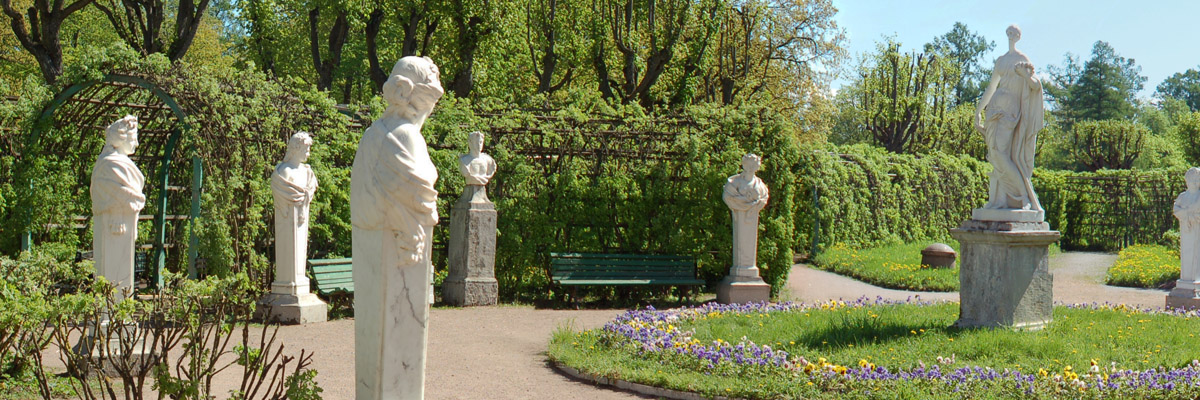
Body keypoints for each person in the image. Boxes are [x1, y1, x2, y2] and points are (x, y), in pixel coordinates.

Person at [350, 56, 444, 400]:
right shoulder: (407, 139)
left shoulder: (371, 137)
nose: (430, 111)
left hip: (375, 253)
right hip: (398, 256)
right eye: (431, 102)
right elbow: (423, 194)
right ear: (415, 98)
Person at [975, 24, 1044, 212]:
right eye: (1009, 33)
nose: (1011, 36)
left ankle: (1024, 197)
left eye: (1015, 33)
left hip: (1010, 110)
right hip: (994, 108)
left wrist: (1025, 76)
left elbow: (1035, 86)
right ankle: (999, 199)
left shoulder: (1022, 59)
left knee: (999, 153)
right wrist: (978, 111)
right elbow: (991, 88)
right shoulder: (1000, 61)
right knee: (995, 155)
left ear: (1019, 37)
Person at [91, 115, 145, 301]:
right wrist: (120, 208)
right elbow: (123, 195)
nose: (136, 144)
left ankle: (118, 316)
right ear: (121, 138)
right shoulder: (109, 165)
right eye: (133, 138)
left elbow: (133, 197)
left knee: (119, 278)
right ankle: (113, 317)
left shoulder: (117, 163)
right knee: (111, 276)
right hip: (113, 226)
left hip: (122, 227)